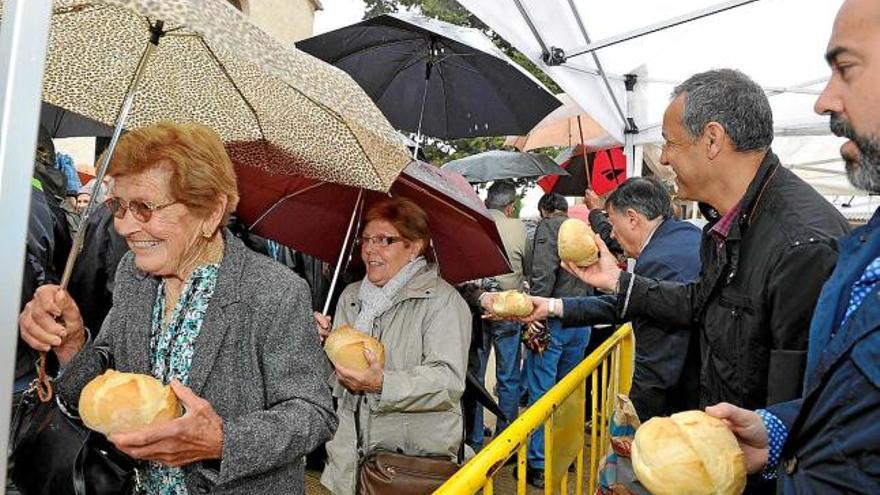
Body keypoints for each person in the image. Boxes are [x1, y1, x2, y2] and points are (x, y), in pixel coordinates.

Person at [562, 70, 851, 493]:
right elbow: (701, 301)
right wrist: (618, 283)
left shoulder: (800, 245)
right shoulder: (725, 226)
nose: (663, 158)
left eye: (670, 142)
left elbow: (804, 407)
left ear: (712, 139)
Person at [18, 121, 337, 494]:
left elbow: (312, 412)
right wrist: (70, 343)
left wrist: (222, 441)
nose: (123, 227)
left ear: (210, 212)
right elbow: (109, 376)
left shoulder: (275, 291)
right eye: (118, 205)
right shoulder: (133, 274)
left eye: (145, 208)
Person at [705, 1, 880, 491]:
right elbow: (852, 404)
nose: (823, 101)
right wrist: (781, 429)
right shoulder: (866, 250)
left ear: (712, 140)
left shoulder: (802, 241)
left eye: (846, 69)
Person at [514, 178, 703, 422]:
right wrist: (552, 306)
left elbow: (657, 363)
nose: (612, 233)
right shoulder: (683, 235)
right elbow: (627, 302)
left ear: (633, 218)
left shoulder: (658, 261)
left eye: (612, 223)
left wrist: (635, 421)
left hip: (686, 406)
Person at [320, 198, 471, 495]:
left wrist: (383, 384)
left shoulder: (444, 302)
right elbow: (335, 379)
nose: (369, 250)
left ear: (414, 246)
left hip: (406, 466)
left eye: (384, 240)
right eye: (365, 240)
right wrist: (321, 344)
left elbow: (448, 381)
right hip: (348, 462)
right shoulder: (350, 297)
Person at [517, 192, 593, 488]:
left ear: (544, 210)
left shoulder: (549, 228)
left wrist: (536, 314)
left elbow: (542, 275)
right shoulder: (582, 229)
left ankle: (537, 462)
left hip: (554, 319)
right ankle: (565, 452)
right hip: (582, 318)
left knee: (542, 391)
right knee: (569, 392)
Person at [469, 181, 529, 449]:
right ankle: (507, 437)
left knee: (477, 375)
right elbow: (527, 268)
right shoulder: (520, 228)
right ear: (510, 206)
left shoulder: (473, 222)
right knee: (508, 377)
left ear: (487, 202)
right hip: (508, 309)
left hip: (478, 306)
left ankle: (475, 436)